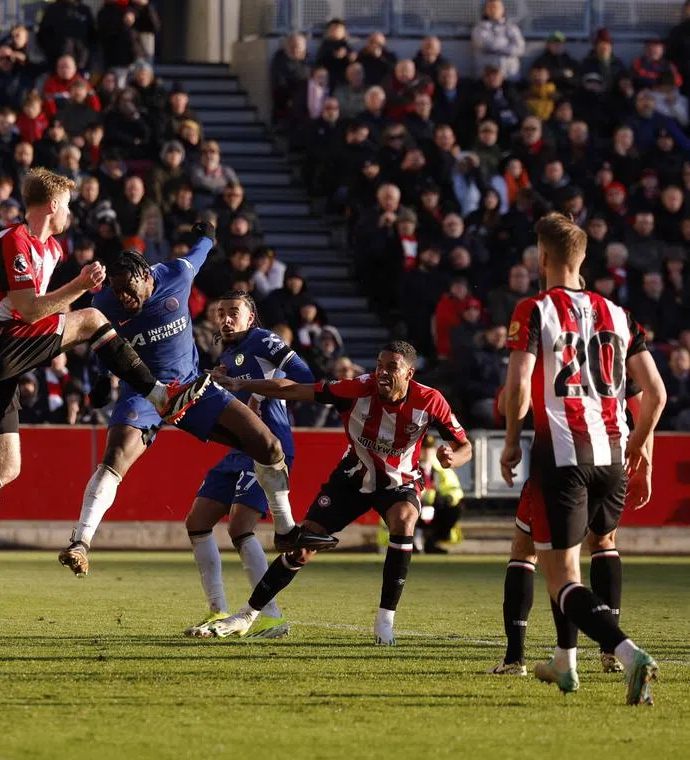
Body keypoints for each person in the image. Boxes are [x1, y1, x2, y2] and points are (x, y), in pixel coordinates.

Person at [0, 169, 214, 579]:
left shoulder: (54, 251)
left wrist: (81, 338)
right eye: (68, 206)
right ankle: (160, 396)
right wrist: (80, 293)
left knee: (5, 467)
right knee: (93, 316)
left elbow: (47, 312)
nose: (71, 214)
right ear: (54, 205)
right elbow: (27, 308)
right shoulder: (15, 241)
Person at [56, 240, 334, 578]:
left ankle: (286, 530)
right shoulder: (104, 302)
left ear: (146, 275)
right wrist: (102, 377)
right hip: (141, 394)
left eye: (128, 289)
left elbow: (201, 250)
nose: (123, 298)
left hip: (190, 388)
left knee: (268, 446)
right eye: (116, 292)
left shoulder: (176, 273)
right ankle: (80, 541)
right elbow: (103, 340)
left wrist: (208, 235)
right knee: (115, 458)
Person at [198, 341, 473, 645]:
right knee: (302, 547)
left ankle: (384, 623)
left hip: (400, 481)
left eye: (391, 367)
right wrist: (239, 383)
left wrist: (452, 458)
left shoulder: (430, 401)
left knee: (405, 519)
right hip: (351, 479)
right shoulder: (356, 389)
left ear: (410, 372)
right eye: (379, 365)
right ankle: (248, 615)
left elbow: (465, 447)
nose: (382, 372)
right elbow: (292, 389)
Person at [498, 213, 666, 704]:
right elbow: (655, 393)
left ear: (542, 258)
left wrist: (511, 439)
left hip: (564, 454)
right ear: (584, 258)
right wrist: (639, 445)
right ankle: (565, 662)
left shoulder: (534, 309)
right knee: (590, 553)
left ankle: (630, 654)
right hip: (612, 455)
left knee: (561, 575)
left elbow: (517, 387)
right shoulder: (619, 314)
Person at [181, 290, 317, 639]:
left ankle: (271, 618)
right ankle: (217, 611)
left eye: (233, 312)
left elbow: (304, 378)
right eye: (220, 312)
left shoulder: (264, 341)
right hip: (239, 448)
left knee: (240, 526)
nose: (225, 319)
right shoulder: (228, 352)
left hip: (269, 446)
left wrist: (246, 385)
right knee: (197, 521)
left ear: (250, 317)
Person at [490, 380, 644, 676]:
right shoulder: (615, 336)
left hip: (562, 460)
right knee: (604, 542)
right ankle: (603, 653)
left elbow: (509, 399)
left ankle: (516, 659)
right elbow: (650, 398)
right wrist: (644, 455)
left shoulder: (546, 337)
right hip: (613, 457)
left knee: (533, 554)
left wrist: (512, 441)